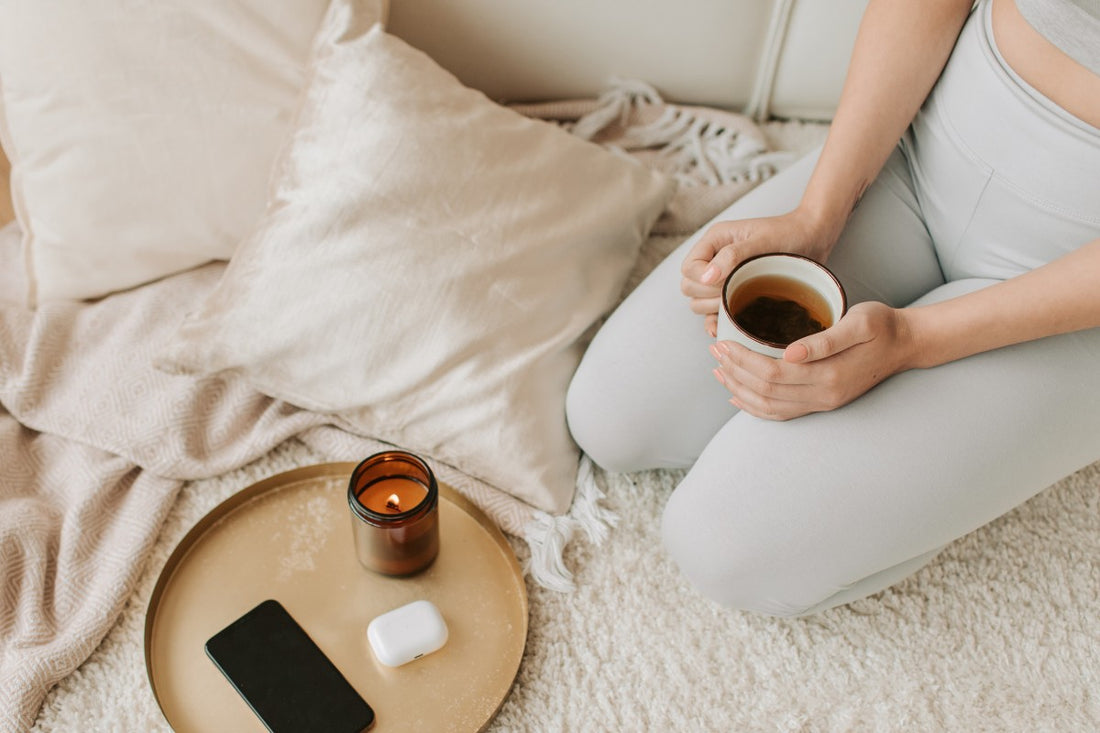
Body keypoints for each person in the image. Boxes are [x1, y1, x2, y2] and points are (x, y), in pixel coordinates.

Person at [565, 0, 1100, 617]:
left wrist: (913, 339)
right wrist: (817, 217)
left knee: (723, 546)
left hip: (1072, 288)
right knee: (611, 416)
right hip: (927, 147)